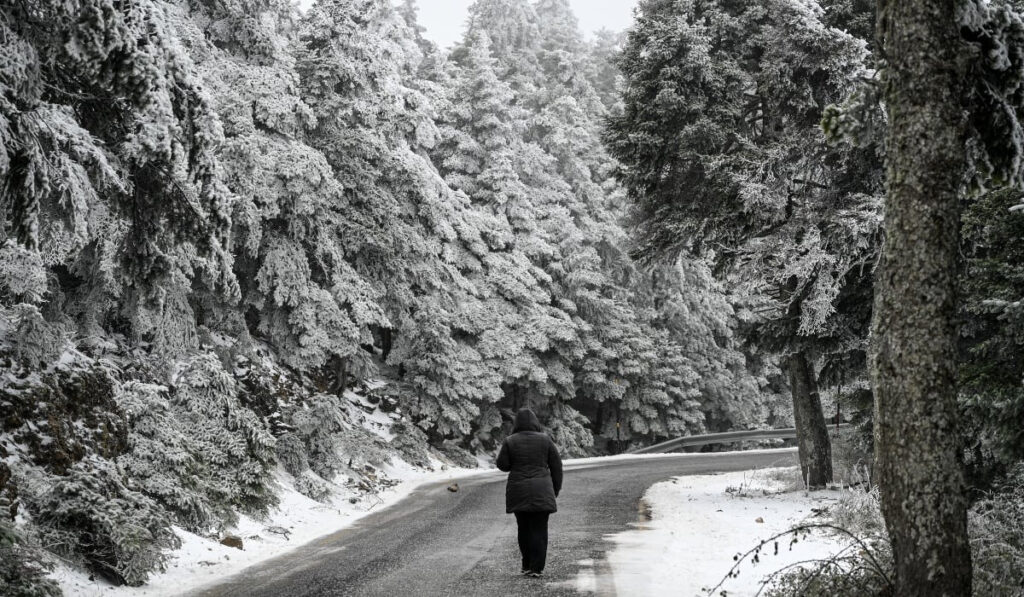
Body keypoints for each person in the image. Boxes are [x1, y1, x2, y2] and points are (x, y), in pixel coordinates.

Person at [496, 408, 563, 578]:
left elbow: (502, 465)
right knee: (540, 530)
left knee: (524, 529)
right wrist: (554, 490)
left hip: (519, 491)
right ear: (535, 423)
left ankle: (526, 564)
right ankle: (537, 568)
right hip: (542, 490)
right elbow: (557, 467)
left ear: (516, 423)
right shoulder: (545, 440)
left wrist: (515, 462)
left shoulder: (510, 441)